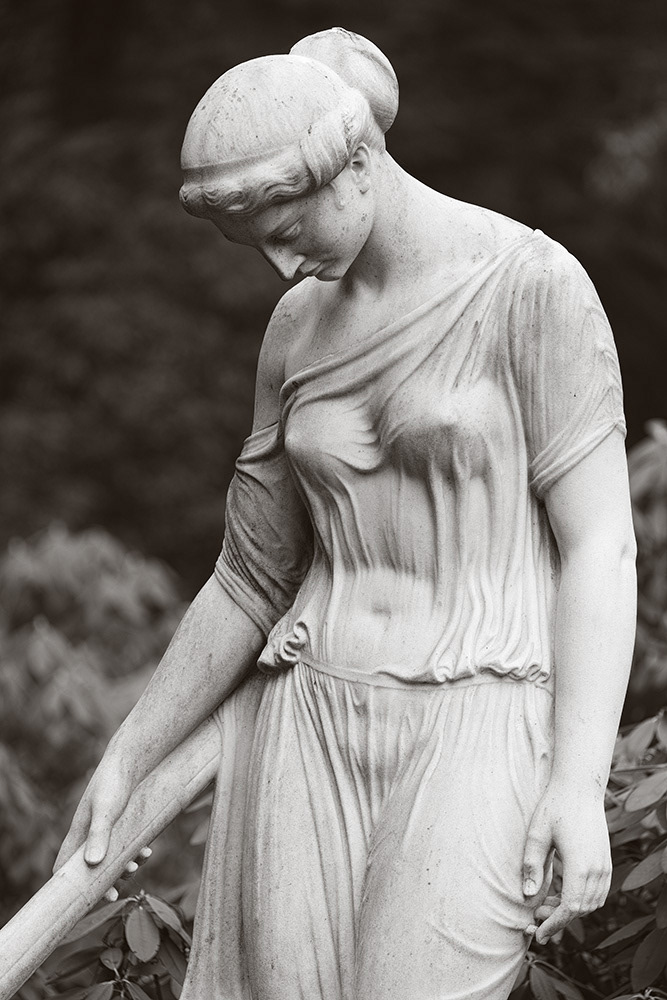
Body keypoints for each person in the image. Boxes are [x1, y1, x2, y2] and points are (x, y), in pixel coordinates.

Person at [55, 28, 637, 1000]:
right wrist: (128, 755)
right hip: (308, 715)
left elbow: (599, 547)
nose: (280, 267)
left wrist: (575, 784)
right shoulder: (296, 329)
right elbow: (249, 574)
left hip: (477, 711)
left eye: (287, 228)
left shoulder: (528, 287)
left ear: (358, 160)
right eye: (256, 246)